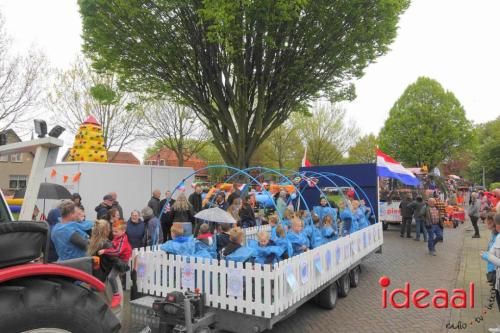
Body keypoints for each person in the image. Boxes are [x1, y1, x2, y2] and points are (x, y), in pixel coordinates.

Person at [98, 220, 132, 308]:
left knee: (111, 277)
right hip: (116, 259)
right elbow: (113, 244)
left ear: (123, 231)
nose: (114, 233)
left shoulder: (123, 240)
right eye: (113, 231)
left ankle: (116, 295)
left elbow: (117, 252)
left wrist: (105, 251)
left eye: (116, 231)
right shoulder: (117, 237)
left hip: (122, 262)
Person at [480, 214, 500, 333]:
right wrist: (488, 255)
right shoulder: (498, 237)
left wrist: (487, 256)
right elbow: (491, 251)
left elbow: (493, 257)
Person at [486, 213, 498, 285]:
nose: (486, 224)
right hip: (491, 261)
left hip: (494, 264)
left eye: (488, 222)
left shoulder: (497, 235)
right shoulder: (493, 233)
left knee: (494, 277)